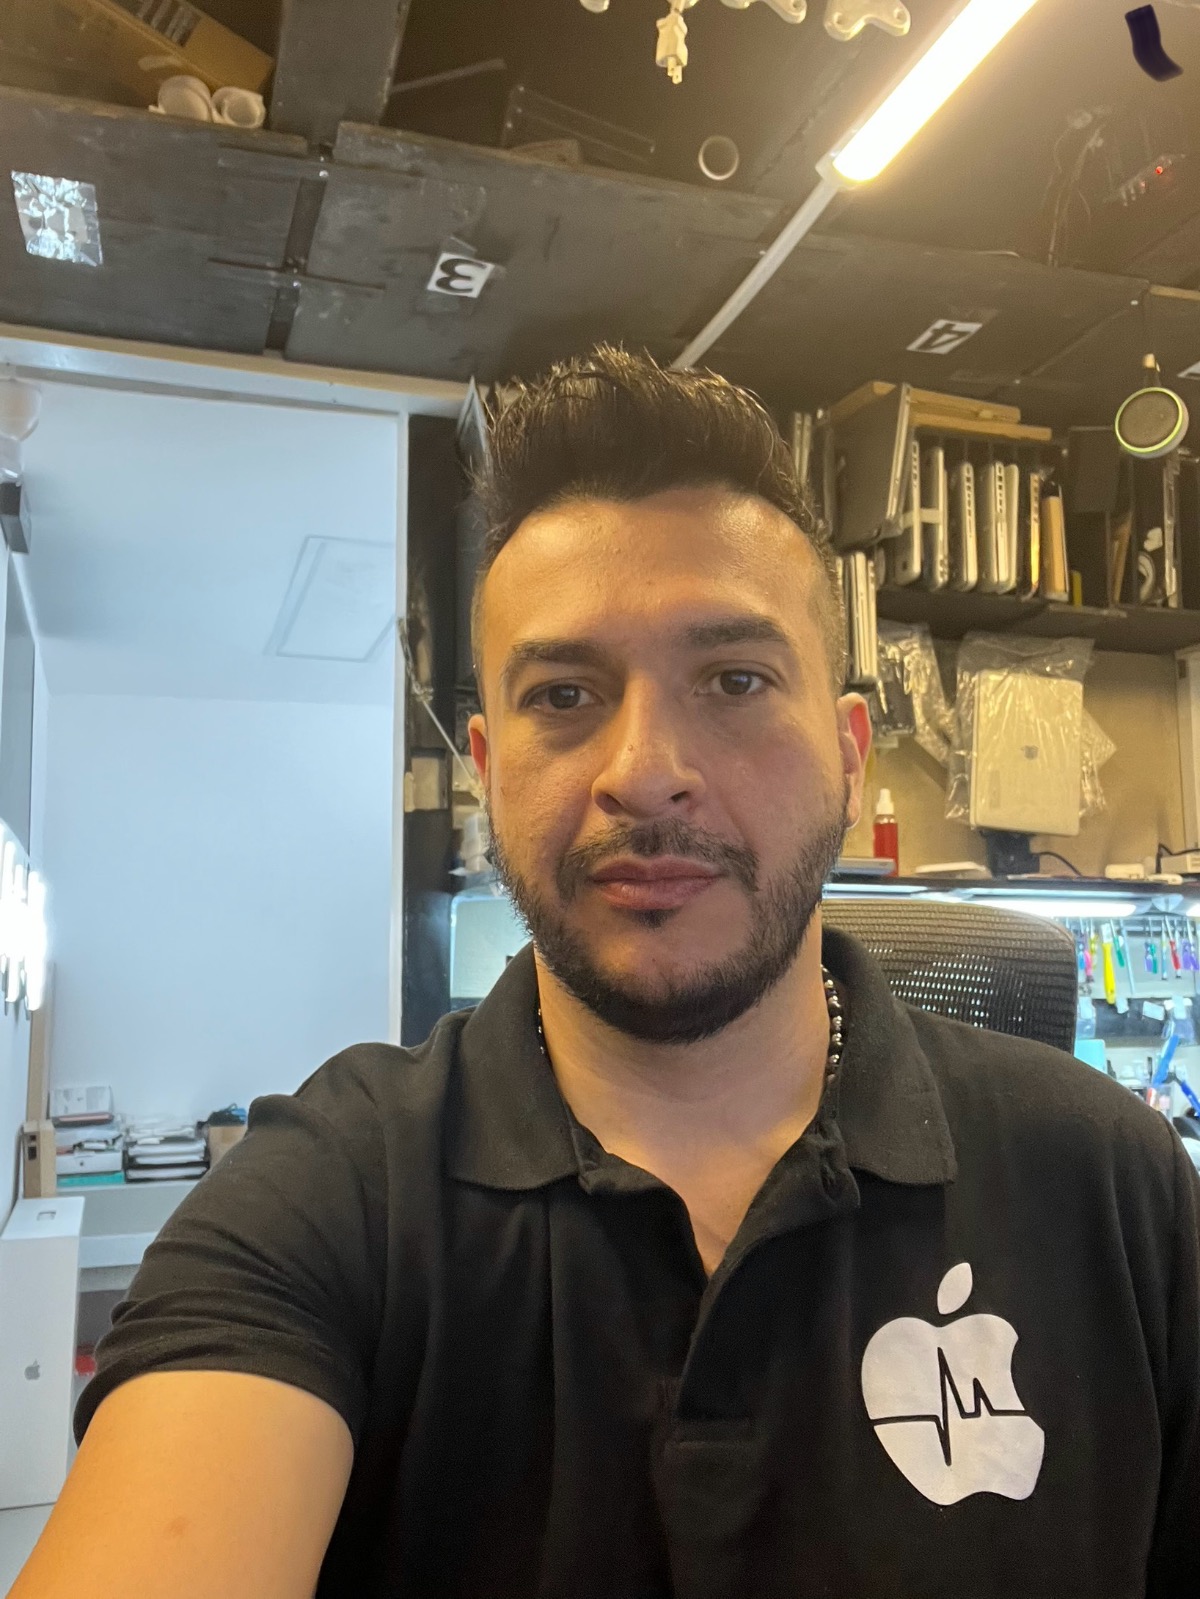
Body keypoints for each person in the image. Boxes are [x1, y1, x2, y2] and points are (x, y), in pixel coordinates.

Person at [14, 348, 1199, 1599]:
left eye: (735, 681)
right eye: (566, 693)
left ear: (851, 755)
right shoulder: (335, 1200)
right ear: (487, 769)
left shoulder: (1113, 1186)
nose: (645, 771)